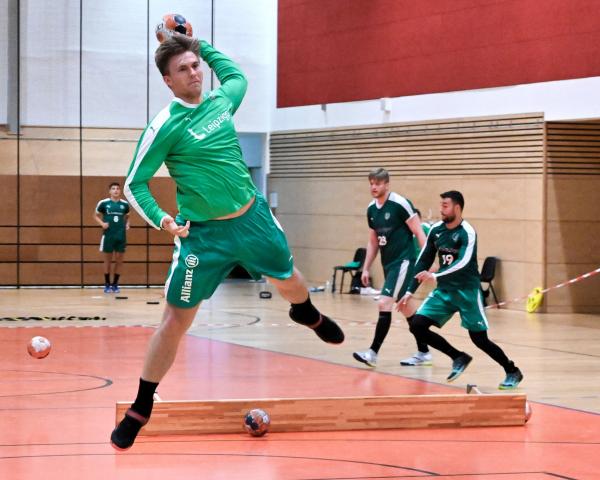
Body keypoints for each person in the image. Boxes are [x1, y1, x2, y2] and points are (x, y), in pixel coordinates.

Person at [110, 34, 344, 451]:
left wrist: (198, 43)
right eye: (183, 68)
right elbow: (134, 183)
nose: (194, 72)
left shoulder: (221, 101)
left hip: (254, 219)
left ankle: (306, 312)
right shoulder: (165, 126)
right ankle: (142, 404)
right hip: (204, 237)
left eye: (196, 65)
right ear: (167, 80)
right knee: (175, 320)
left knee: (290, 280)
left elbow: (236, 76)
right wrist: (163, 219)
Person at [398, 190, 523, 389]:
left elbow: (463, 263)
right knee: (417, 326)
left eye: (445, 206)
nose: (441, 210)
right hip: (445, 292)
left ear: (457, 208)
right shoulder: (436, 230)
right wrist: (409, 290)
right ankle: (458, 356)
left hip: (467, 292)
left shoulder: (468, 232)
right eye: (441, 205)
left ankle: (512, 370)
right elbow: (423, 261)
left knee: (480, 339)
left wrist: (435, 275)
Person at [352, 168, 431, 368]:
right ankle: (424, 351)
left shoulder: (400, 204)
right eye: (371, 183)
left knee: (384, 303)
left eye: (377, 183)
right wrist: (366, 268)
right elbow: (373, 241)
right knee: (406, 308)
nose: (373, 187)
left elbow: (420, 233)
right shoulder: (371, 209)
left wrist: (426, 265)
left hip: (404, 262)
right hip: (388, 264)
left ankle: (372, 353)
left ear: (387, 184)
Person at [94, 182, 130, 293]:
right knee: (107, 261)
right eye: (113, 189)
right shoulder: (104, 203)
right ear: (110, 191)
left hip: (121, 235)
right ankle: (107, 284)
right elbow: (95, 215)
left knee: (119, 261)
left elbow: (128, 216)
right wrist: (102, 224)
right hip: (108, 235)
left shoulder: (125, 204)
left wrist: (127, 223)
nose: (116, 190)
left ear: (120, 191)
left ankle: (115, 284)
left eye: (118, 189)